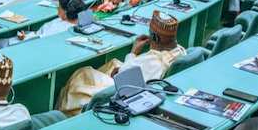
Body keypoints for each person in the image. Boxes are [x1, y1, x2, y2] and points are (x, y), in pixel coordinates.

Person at [57, 10, 186, 115]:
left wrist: (134, 52)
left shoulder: (153, 60)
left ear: (155, 37)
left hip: (126, 92)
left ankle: (63, 112)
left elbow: (123, 73)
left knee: (82, 73)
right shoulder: (180, 51)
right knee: (113, 62)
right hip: (146, 81)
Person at [19, 0, 86, 40]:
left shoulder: (55, 29)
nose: (57, 8)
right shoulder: (81, 22)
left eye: (59, 7)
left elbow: (36, 39)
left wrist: (25, 37)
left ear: (65, 12)